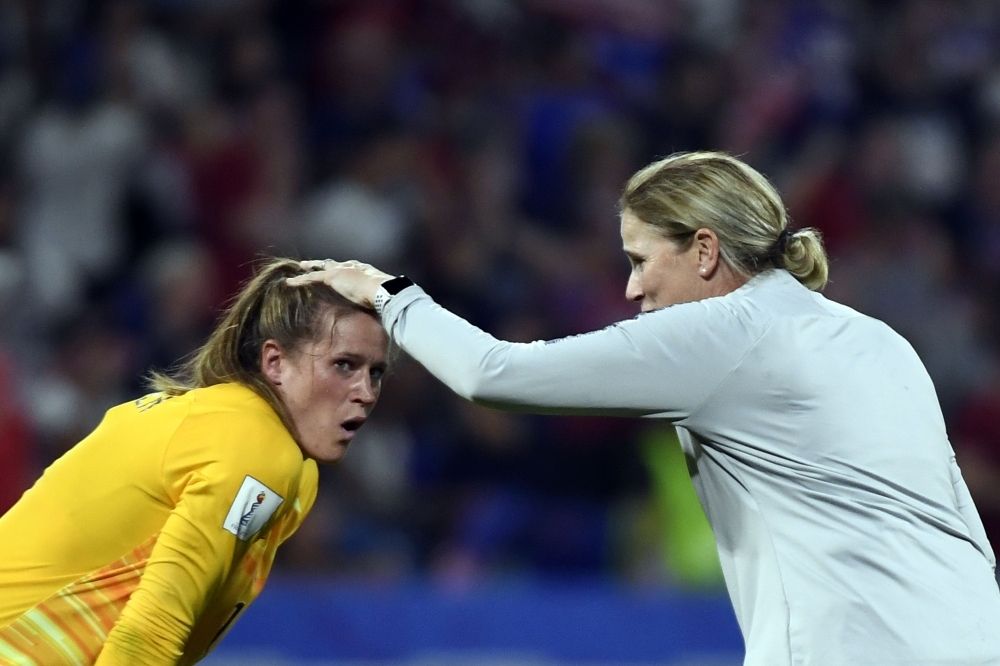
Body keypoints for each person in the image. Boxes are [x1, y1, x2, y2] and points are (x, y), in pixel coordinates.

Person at [291, 151, 1000, 666]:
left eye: (638, 259)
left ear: (704, 250)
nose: (631, 290)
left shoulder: (726, 333)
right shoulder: (878, 339)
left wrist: (387, 293)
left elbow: (493, 372)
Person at [0, 258, 389, 665]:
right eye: (343, 365)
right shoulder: (256, 449)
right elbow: (153, 628)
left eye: (376, 372)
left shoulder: (263, 450)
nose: (366, 391)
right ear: (274, 362)